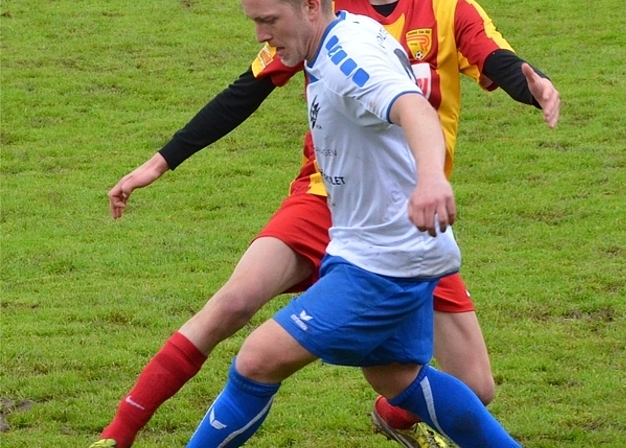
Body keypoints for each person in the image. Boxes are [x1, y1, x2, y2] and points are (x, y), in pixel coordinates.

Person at [91, 0, 560, 447]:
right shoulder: (334, 26)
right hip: (351, 213)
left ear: (311, 7)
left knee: (260, 360)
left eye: (267, 19)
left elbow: (451, 84)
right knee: (392, 375)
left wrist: (526, 90)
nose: (260, 33)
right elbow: (245, 90)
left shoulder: (348, 45)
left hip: (394, 234)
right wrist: (160, 163)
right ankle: (119, 432)